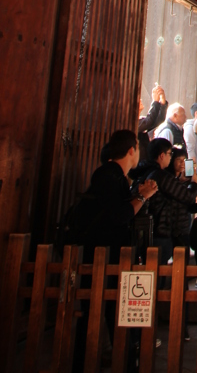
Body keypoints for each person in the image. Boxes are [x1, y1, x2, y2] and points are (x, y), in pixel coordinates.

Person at [71, 131, 158, 373]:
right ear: (132, 150)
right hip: (101, 254)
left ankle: (122, 361)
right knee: (96, 310)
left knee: (113, 312)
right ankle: (85, 363)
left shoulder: (116, 176)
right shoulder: (107, 176)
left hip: (110, 255)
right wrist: (142, 195)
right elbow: (119, 215)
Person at [143, 139, 197, 264]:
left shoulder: (151, 172)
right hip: (161, 231)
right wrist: (194, 183)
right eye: (170, 154)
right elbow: (186, 197)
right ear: (162, 156)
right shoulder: (162, 176)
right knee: (161, 272)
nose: (171, 157)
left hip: (156, 231)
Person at [138, 83, 167, 163]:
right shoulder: (132, 122)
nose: (140, 100)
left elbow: (158, 120)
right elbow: (149, 121)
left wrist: (162, 102)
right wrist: (155, 102)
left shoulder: (141, 120)